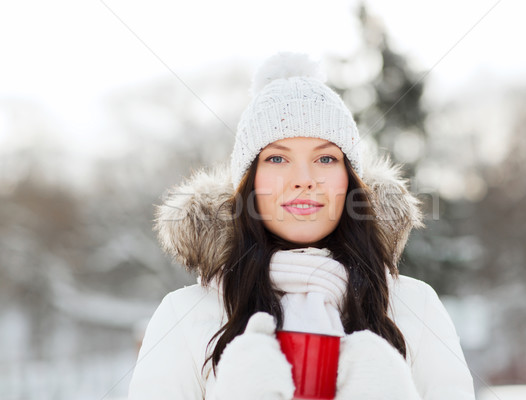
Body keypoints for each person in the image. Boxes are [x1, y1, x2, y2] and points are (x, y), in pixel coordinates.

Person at [127, 52, 475, 399]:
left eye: (325, 158)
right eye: (277, 159)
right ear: (249, 182)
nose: (304, 180)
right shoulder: (184, 314)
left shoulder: (415, 305)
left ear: (349, 180)